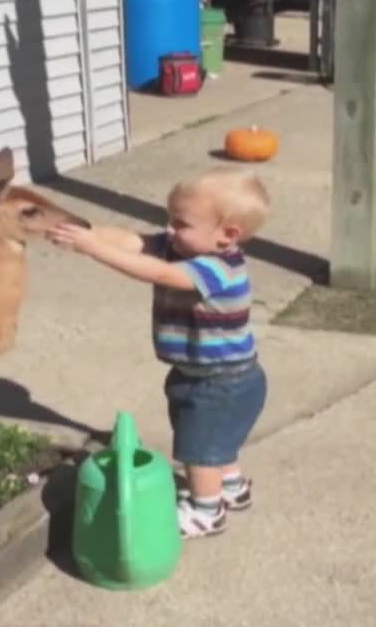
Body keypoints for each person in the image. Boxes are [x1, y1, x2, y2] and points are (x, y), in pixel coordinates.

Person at [47, 166, 271, 538]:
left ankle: (206, 511)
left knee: (199, 448)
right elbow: (134, 241)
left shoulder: (218, 269)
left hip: (224, 383)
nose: (169, 229)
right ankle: (232, 488)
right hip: (205, 375)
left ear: (227, 234)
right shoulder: (180, 247)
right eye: (169, 219)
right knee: (217, 441)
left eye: (181, 223)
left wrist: (92, 250)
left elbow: (155, 273)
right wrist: (88, 233)